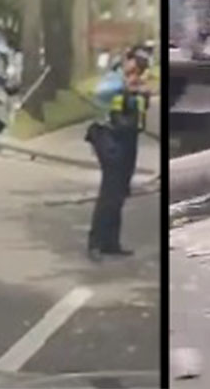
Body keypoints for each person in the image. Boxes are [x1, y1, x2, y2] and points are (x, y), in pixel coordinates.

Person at [86, 47, 150, 261]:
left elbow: (140, 111)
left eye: (141, 65)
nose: (137, 68)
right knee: (110, 190)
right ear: (126, 61)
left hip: (129, 139)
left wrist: (141, 93)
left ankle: (111, 242)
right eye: (134, 62)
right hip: (109, 138)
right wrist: (125, 86)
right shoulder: (113, 79)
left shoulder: (138, 84)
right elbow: (99, 95)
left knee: (121, 191)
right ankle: (95, 243)